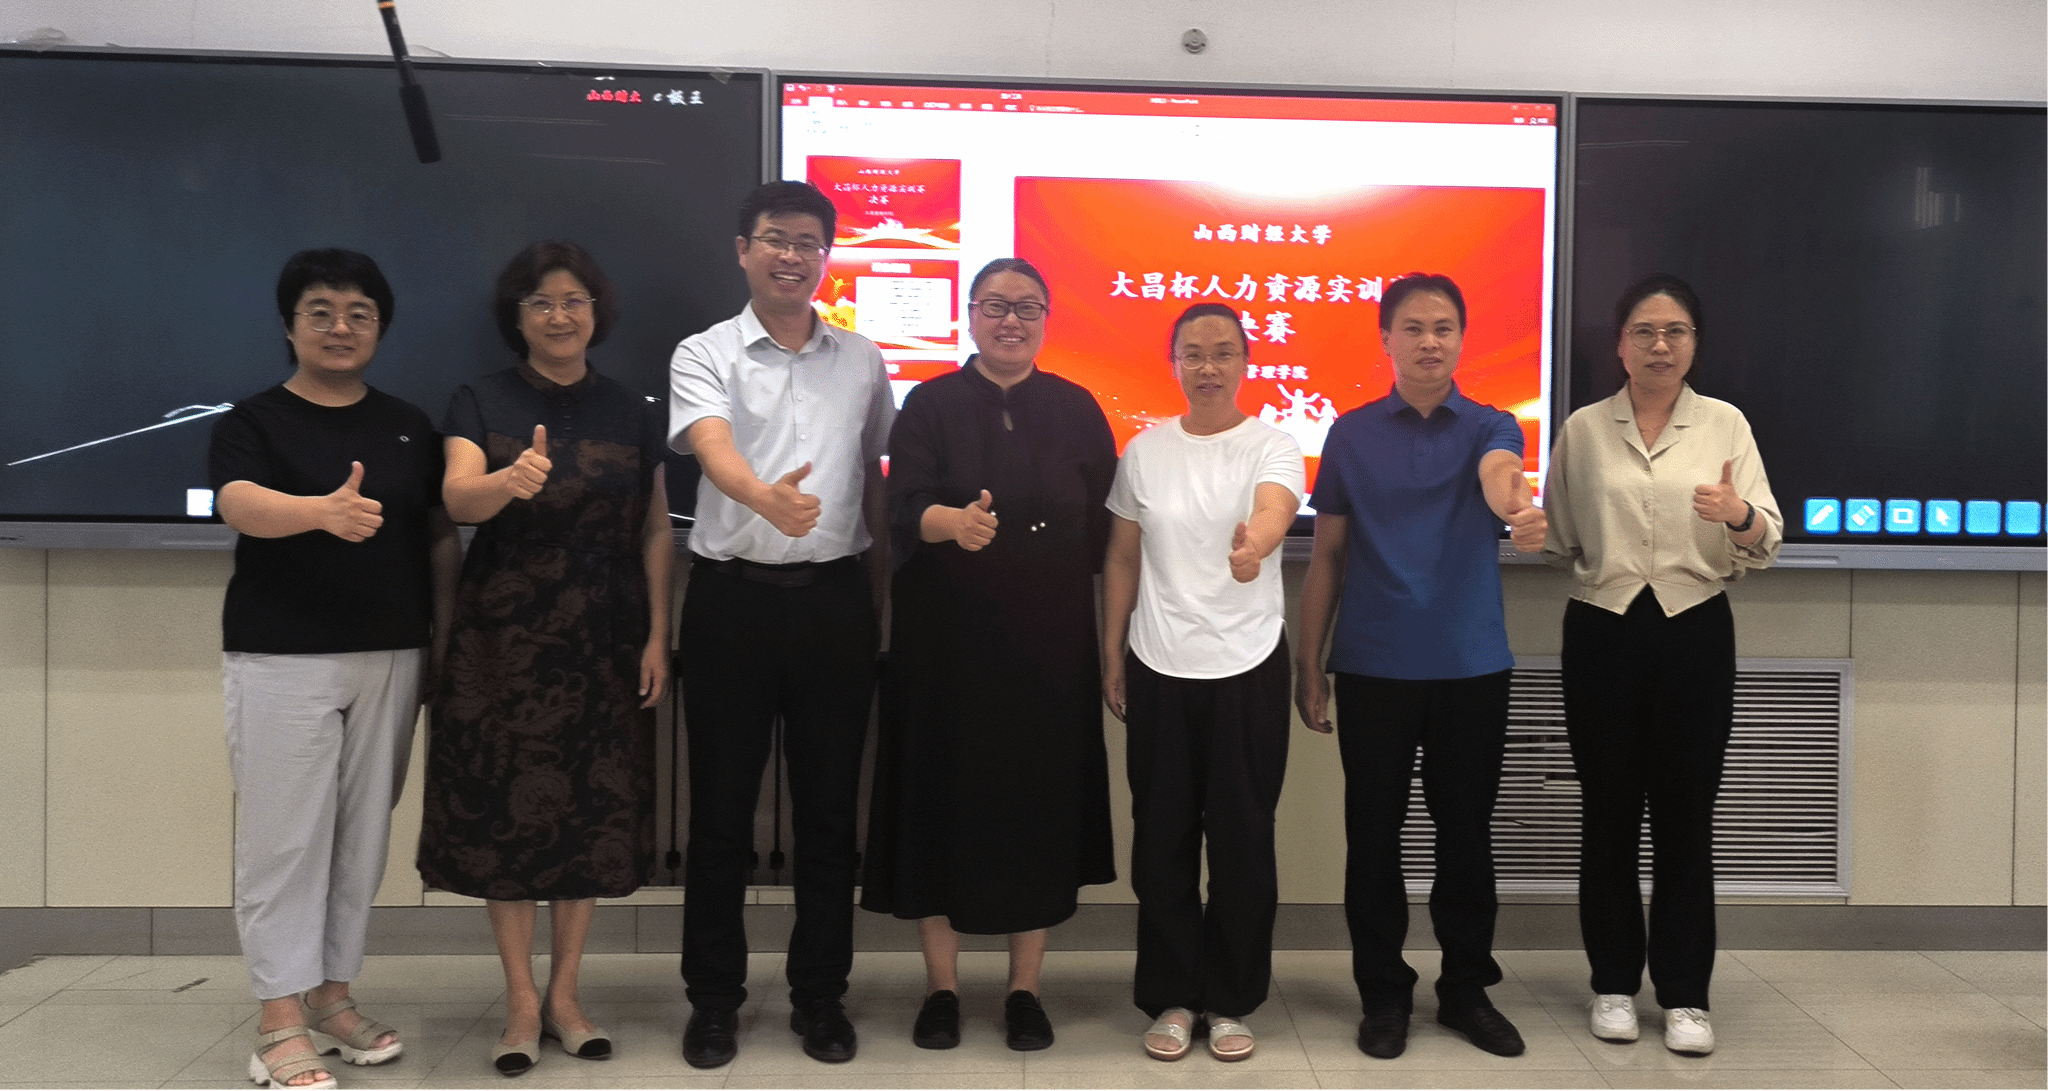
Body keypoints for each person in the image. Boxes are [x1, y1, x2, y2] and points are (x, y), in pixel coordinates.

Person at [417, 241, 673, 1077]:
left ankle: (565, 994)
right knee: (506, 814)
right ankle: (520, 1000)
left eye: (574, 300)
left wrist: (657, 633)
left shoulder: (633, 409)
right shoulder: (479, 397)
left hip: (605, 632)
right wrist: (507, 482)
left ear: (597, 312)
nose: (560, 315)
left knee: (588, 815)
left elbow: (655, 528)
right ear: (517, 316)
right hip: (503, 636)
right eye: (541, 302)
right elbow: (457, 497)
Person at [212, 248, 460, 1089]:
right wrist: (319, 511)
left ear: (380, 328)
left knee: (360, 836)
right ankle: (278, 1017)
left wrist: (442, 638)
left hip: (393, 651)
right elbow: (237, 502)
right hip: (281, 655)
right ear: (290, 326)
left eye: (359, 313)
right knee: (284, 838)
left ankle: (331, 995)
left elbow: (437, 535)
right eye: (320, 311)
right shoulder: (254, 419)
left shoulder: (407, 423)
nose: (340, 327)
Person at [860, 258, 1118, 1053]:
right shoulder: (929, 403)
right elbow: (901, 506)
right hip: (945, 649)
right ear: (970, 315)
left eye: (1028, 307)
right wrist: (950, 522)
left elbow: (1107, 529)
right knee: (941, 802)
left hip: (1048, 649)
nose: (1012, 320)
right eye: (997, 306)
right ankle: (940, 989)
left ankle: (1023, 990)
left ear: (1046, 318)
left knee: (1035, 810)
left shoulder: (1077, 408)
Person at [669, 180, 895, 1068]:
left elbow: (871, 478)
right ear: (743, 249)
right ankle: (713, 1001)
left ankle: (820, 997)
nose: (791, 255)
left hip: (834, 602)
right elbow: (711, 444)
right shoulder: (705, 351)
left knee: (830, 814)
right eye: (774, 239)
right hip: (731, 601)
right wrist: (762, 496)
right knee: (720, 814)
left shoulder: (863, 359)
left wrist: (879, 598)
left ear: (825, 256)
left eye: (807, 242)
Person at [1294, 272, 1547, 1061]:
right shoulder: (1351, 433)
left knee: (1465, 835)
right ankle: (1383, 992)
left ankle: (1466, 989)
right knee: (1373, 836)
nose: (1429, 341)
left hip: (1471, 665)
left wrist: (1519, 506)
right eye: (1413, 327)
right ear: (1386, 339)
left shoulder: (1491, 424)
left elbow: (1501, 475)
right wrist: (1309, 663)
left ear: (1462, 339)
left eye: (1443, 327)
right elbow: (1327, 556)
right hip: (1373, 664)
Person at [1543, 274, 1781, 1056]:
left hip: (1694, 628)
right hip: (1603, 628)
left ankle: (1685, 995)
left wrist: (1736, 515)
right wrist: (1528, 532)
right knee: (1607, 812)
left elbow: (1767, 538)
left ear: (1694, 344)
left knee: (1686, 816)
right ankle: (1613, 983)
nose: (1659, 345)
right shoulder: (1583, 428)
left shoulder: (1725, 424)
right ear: (1619, 344)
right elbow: (1561, 537)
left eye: (1675, 331)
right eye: (1644, 331)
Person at [1101, 302, 1304, 1063]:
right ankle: (1172, 995)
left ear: (1247, 361)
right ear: (1175, 363)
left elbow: (1275, 507)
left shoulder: (1272, 444)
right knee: (1161, 840)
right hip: (1159, 662)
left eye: (1223, 352)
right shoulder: (1144, 452)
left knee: (1245, 840)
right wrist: (1112, 651)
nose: (1209, 366)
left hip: (1247, 665)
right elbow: (1123, 556)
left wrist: (1258, 544)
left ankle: (1230, 998)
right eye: (1194, 353)